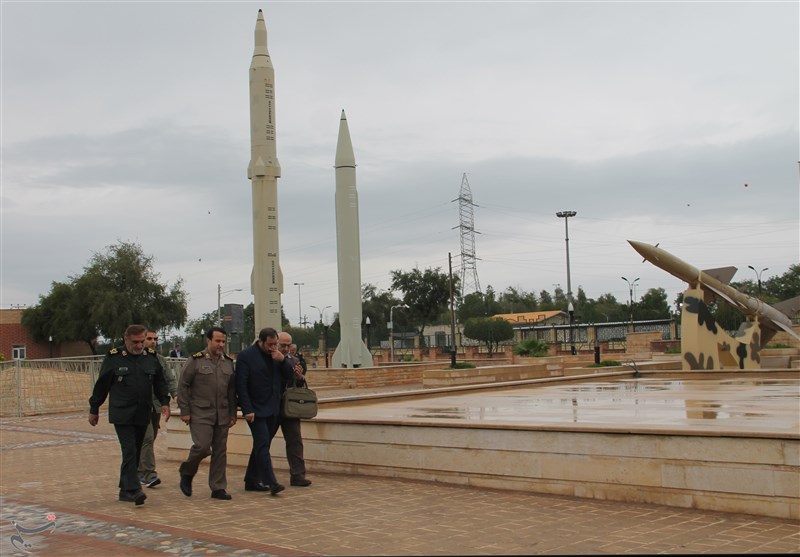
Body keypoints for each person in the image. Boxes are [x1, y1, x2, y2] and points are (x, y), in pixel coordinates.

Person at [89, 324, 170, 506]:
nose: (139, 346)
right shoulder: (114, 358)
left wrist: (165, 402)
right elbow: (102, 386)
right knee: (130, 450)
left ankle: (125, 490)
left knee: (136, 450)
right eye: (135, 342)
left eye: (142, 341)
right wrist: (94, 409)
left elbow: (159, 382)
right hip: (122, 413)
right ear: (125, 339)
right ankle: (134, 490)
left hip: (143, 411)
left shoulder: (150, 358)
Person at [176, 326, 237, 500]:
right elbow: (183, 386)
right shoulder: (196, 360)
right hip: (200, 412)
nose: (221, 345)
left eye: (223, 341)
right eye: (217, 341)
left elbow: (232, 391)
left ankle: (218, 487)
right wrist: (185, 410)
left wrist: (232, 413)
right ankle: (187, 472)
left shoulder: (227, 362)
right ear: (208, 340)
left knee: (220, 451)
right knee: (202, 446)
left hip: (222, 413)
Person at [235, 327, 293, 495]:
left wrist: (283, 361)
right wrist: (247, 408)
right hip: (255, 409)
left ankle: (251, 480)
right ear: (261, 342)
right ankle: (271, 482)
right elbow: (241, 385)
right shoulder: (246, 356)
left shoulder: (277, 356)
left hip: (273, 408)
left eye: (275, 344)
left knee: (263, 445)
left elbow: (289, 377)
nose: (273, 347)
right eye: (270, 344)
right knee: (262, 443)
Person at [138, 328, 178, 488]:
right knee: (146, 438)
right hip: (139, 406)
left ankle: (138, 470)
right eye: (149, 339)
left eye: (155, 339)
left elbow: (169, 379)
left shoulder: (159, 359)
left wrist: (175, 394)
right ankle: (149, 474)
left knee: (150, 438)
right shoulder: (132, 358)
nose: (153, 342)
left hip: (155, 405)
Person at [279, 334, 311, 486]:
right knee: (263, 442)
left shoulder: (294, 360)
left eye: (288, 345)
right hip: (271, 405)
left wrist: (299, 377)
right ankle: (256, 476)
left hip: (290, 406)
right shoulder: (269, 359)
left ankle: (298, 475)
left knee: (295, 441)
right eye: (282, 345)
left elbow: (299, 385)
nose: (286, 348)